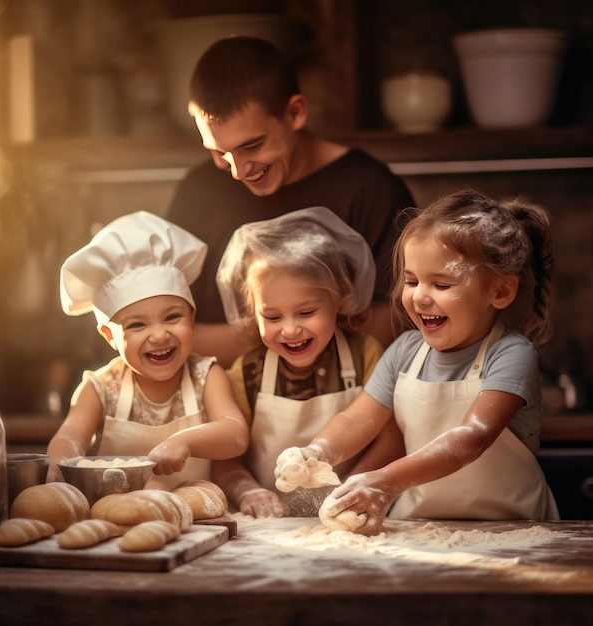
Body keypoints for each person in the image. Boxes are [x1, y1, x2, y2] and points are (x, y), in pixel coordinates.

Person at [275, 189, 560, 534]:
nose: (420, 296)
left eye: (441, 284)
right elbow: (356, 420)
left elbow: (472, 437)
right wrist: (316, 452)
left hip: (515, 531)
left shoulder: (511, 354)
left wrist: (386, 481)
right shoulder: (404, 352)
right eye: (411, 281)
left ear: (499, 291)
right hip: (421, 529)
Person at [167, 35, 415, 368]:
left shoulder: (370, 189)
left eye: (252, 145)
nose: (238, 171)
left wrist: (254, 335)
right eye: (218, 152)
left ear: (295, 113)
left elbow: (394, 327)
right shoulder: (198, 190)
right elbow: (165, 327)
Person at [212, 206, 405, 517]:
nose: (290, 329)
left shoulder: (364, 355)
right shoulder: (247, 373)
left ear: (339, 297)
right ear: (252, 310)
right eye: (272, 316)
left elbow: (392, 440)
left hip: (352, 511)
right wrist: (246, 490)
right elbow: (225, 461)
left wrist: (355, 487)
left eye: (306, 312)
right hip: (269, 527)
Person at [46, 211, 249, 487]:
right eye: (138, 325)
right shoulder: (100, 389)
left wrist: (185, 442)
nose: (159, 334)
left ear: (192, 316)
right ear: (109, 336)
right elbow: (69, 438)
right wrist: (58, 467)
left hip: (199, 522)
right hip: (118, 521)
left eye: (173, 317)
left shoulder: (207, 376)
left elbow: (235, 434)